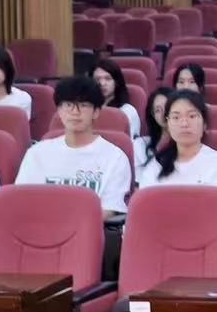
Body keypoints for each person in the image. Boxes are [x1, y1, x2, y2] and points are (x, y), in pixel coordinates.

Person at [15, 76, 133, 214]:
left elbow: (109, 209)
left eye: (83, 105)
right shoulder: (37, 153)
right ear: (59, 111)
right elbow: (23, 201)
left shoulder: (115, 157)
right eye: (68, 105)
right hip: (41, 225)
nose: (75, 112)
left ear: (96, 112)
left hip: (89, 227)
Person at [136, 89, 217, 193]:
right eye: (176, 117)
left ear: (204, 124)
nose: (184, 124)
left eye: (192, 116)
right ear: (168, 124)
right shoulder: (156, 165)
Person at [92, 57, 140, 139]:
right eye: (97, 79)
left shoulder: (127, 111)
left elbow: (129, 143)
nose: (102, 83)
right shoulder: (86, 109)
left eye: (108, 79)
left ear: (116, 82)